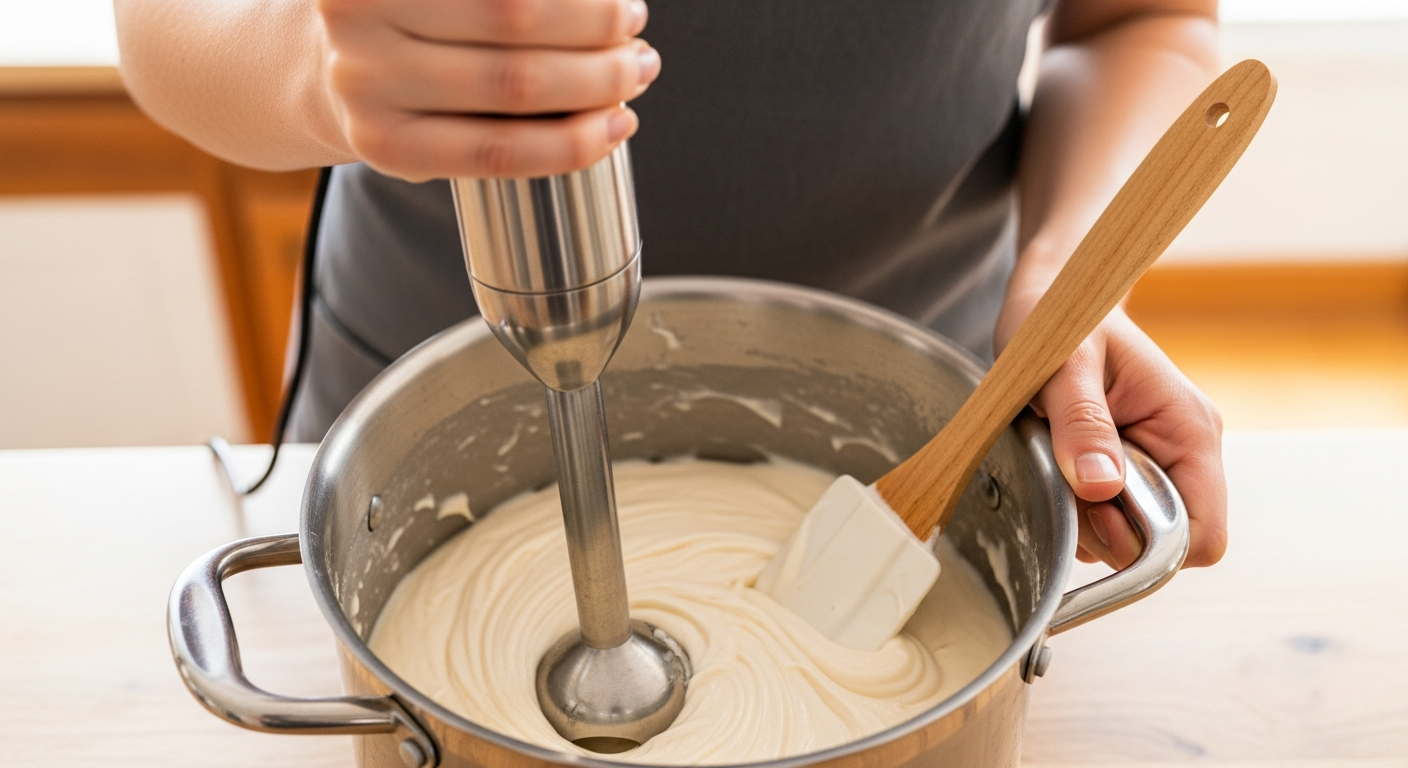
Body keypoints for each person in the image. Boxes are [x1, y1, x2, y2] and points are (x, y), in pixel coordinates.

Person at [114, 0, 1227, 573]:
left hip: (926, 407)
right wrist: (314, 73)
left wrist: (1070, 275)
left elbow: (1137, 19)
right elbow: (163, 27)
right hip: (419, 386)